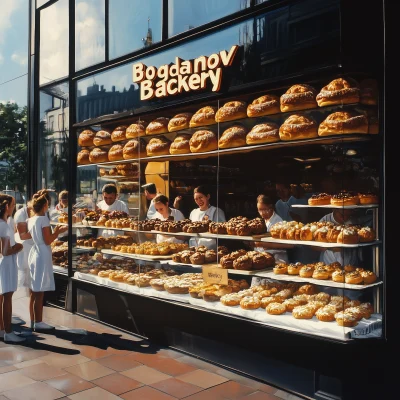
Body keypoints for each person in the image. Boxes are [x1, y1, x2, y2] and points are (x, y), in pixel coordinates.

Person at [27, 192, 68, 331]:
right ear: (45, 205)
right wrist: (57, 232)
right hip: (42, 253)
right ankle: (39, 322)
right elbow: (48, 240)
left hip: (34, 252)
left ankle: (33, 320)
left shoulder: (31, 219)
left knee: (33, 291)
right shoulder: (43, 219)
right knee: (39, 291)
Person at [0, 194, 25, 343]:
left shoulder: (4, 223)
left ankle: (2, 329)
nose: (14, 207)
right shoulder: (3, 225)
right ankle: (9, 332)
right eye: (13, 204)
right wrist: (18, 246)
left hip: (2, 263)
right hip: (6, 264)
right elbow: (5, 251)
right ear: (7, 206)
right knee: (7, 297)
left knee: (2, 297)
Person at [249, 194, 293, 264]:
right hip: (261, 259)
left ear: (271, 207)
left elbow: (289, 245)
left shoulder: (279, 222)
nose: (262, 213)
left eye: (264, 210)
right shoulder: (261, 223)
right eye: (259, 210)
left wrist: (264, 244)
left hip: (278, 260)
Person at [188, 185, 226, 249]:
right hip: (193, 247)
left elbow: (222, 231)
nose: (198, 201)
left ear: (208, 196)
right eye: (196, 199)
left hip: (210, 249)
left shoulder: (216, 211)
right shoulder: (193, 212)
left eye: (200, 197)